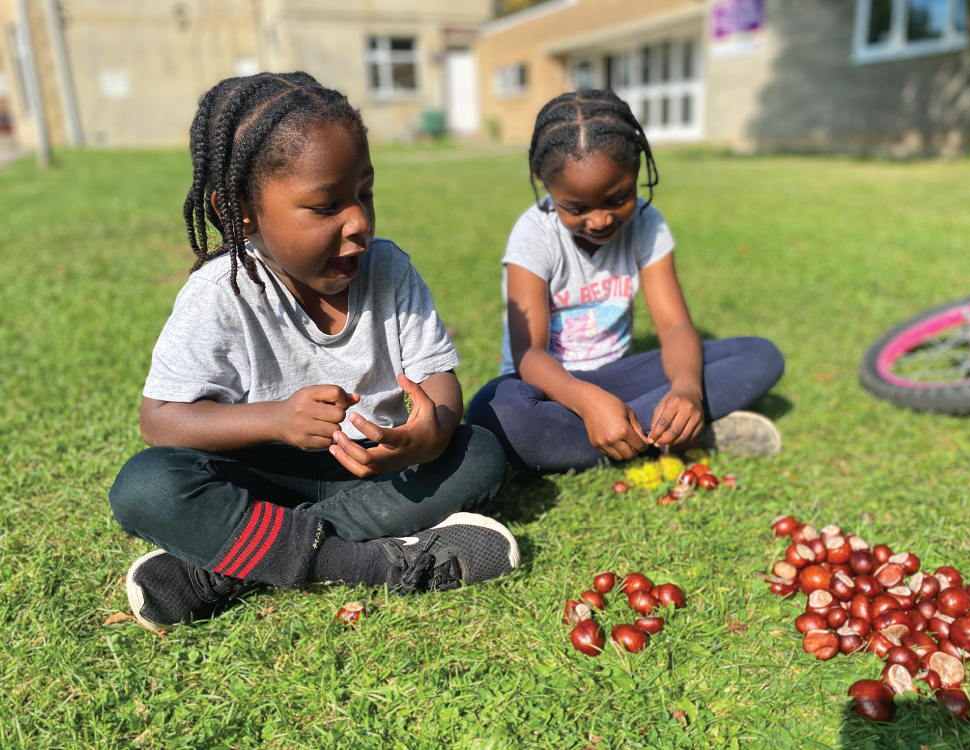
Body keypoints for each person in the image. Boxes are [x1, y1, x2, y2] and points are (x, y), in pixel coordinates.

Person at [108, 72, 519, 633]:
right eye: (326, 207)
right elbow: (159, 422)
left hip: (373, 471)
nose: (359, 223)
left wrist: (431, 433)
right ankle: (371, 564)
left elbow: (438, 381)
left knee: (479, 454)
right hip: (263, 476)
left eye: (365, 193)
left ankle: (227, 567)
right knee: (147, 485)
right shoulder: (220, 294)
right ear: (239, 212)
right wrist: (276, 419)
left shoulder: (390, 270)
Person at [467, 89, 785, 473]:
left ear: (637, 171)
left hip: (620, 379)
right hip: (551, 390)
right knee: (495, 411)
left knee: (760, 355)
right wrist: (587, 402)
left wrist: (687, 391)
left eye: (618, 199)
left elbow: (676, 326)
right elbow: (529, 354)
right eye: (577, 208)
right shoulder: (534, 234)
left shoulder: (648, 224)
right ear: (544, 185)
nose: (600, 220)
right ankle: (664, 432)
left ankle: (648, 426)